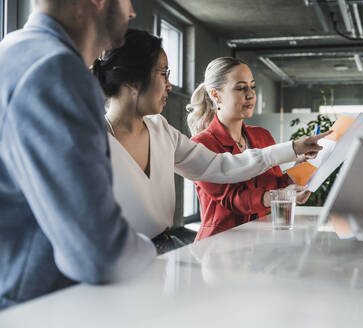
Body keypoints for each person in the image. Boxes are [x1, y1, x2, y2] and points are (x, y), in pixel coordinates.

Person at [91, 30, 329, 254]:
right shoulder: (91, 140)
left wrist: (294, 149)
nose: (169, 85)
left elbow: (221, 166)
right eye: (163, 73)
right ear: (133, 80)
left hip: (164, 250)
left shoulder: (161, 129)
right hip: (117, 256)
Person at [0, 0, 157, 310]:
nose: (132, 12)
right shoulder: (54, 70)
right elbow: (100, 253)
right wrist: (151, 248)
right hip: (36, 308)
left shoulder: (13, 51)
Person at [188, 57, 318, 241]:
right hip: (220, 246)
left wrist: (304, 167)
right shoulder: (202, 145)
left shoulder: (262, 136)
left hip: (261, 242)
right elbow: (233, 199)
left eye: (252, 86)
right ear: (216, 95)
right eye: (241, 88)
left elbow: (276, 186)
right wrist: (278, 195)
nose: (250, 95)